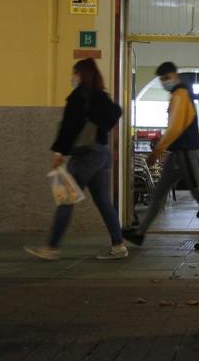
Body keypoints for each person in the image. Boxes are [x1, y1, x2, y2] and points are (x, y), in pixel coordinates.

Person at [25, 58, 127, 261]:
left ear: (80, 74)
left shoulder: (77, 97)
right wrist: (101, 127)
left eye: (74, 73)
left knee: (66, 199)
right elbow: (117, 111)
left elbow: (67, 128)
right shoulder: (101, 96)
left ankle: (51, 247)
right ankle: (118, 245)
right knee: (104, 202)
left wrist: (58, 153)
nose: (73, 77)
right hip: (102, 154)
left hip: (85, 156)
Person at [123, 62, 199, 250]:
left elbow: (175, 127)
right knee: (159, 193)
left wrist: (157, 150)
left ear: (174, 75)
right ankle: (140, 233)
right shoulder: (178, 94)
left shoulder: (180, 94)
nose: (164, 82)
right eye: (162, 79)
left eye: (166, 78)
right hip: (178, 153)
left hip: (186, 153)